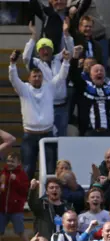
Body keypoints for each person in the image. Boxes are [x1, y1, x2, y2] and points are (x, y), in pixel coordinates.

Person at [9, 49, 70, 179]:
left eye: (39, 76)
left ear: (43, 78)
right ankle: (25, 197)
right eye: (34, 76)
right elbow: (14, 79)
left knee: (49, 169)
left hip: (47, 134)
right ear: (29, 78)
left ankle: (48, 197)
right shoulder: (24, 89)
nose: (37, 78)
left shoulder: (49, 87)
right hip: (29, 135)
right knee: (27, 168)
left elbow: (61, 76)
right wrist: (12, 64)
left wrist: (66, 61)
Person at [23, 20, 74, 138]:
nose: (45, 52)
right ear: (38, 51)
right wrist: (33, 37)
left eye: (48, 49)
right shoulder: (35, 63)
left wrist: (66, 33)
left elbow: (71, 51)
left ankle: (61, 157)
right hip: (45, 105)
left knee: (62, 136)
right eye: (42, 49)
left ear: (52, 50)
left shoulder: (59, 59)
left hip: (62, 105)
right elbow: (25, 57)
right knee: (48, 136)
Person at [68, 48, 110, 136]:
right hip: (90, 133)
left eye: (101, 71)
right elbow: (73, 75)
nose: (99, 72)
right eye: (96, 71)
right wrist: (75, 58)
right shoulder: (85, 87)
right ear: (90, 75)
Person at [0, 152, 29, 241]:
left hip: (16, 210)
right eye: (8, 161)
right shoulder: (3, 172)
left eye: (12, 161)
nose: (9, 163)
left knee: (20, 231)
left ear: (18, 163)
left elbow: (25, 191)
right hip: (1, 209)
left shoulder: (22, 174)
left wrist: (16, 180)